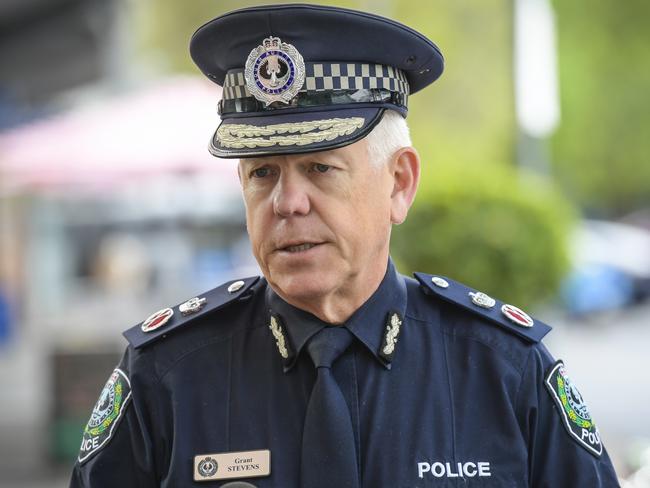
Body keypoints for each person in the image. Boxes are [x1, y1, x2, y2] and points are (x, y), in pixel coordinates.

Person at [69, 4, 620, 487]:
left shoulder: (503, 369)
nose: (288, 203)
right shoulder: (168, 374)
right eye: (262, 173)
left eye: (320, 168)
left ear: (399, 183)